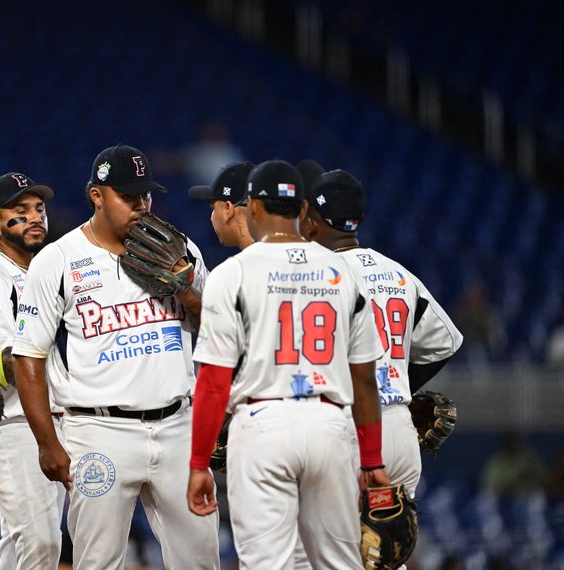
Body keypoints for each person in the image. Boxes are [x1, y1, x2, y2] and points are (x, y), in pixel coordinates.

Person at [12, 144, 220, 569]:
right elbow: (28, 356)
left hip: (180, 426)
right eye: (129, 196)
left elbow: (220, 332)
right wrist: (47, 443)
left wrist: (184, 288)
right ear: (97, 195)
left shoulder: (181, 249)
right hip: (100, 430)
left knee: (201, 560)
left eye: (146, 194)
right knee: (97, 562)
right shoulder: (59, 259)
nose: (142, 204)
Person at [187, 159, 388, 569]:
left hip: (263, 423)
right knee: (340, 563)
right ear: (301, 211)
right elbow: (364, 379)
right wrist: (373, 461)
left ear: (253, 208)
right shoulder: (341, 271)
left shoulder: (233, 273)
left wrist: (198, 462)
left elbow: (212, 381)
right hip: (330, 425)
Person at [301, 167, 463, 501]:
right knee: (388, 546)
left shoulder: (315, 277)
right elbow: (444, 343)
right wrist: (400, 385)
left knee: (326, 551)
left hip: (346, 428)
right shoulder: (400, 275)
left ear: (313, 220)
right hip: (398, 429)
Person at [0, 172, 66, 569]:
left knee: (20, 542)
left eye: (39, 209)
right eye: (20, 210)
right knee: (42, 542)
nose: (34, 217)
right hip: (13, 425)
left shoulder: (44, 273)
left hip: (46, 421)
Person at [187, 161, 255, 249]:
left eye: (213, 208)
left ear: (228, 210)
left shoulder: (239, 262)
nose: (211, 218)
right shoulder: (277, 251)